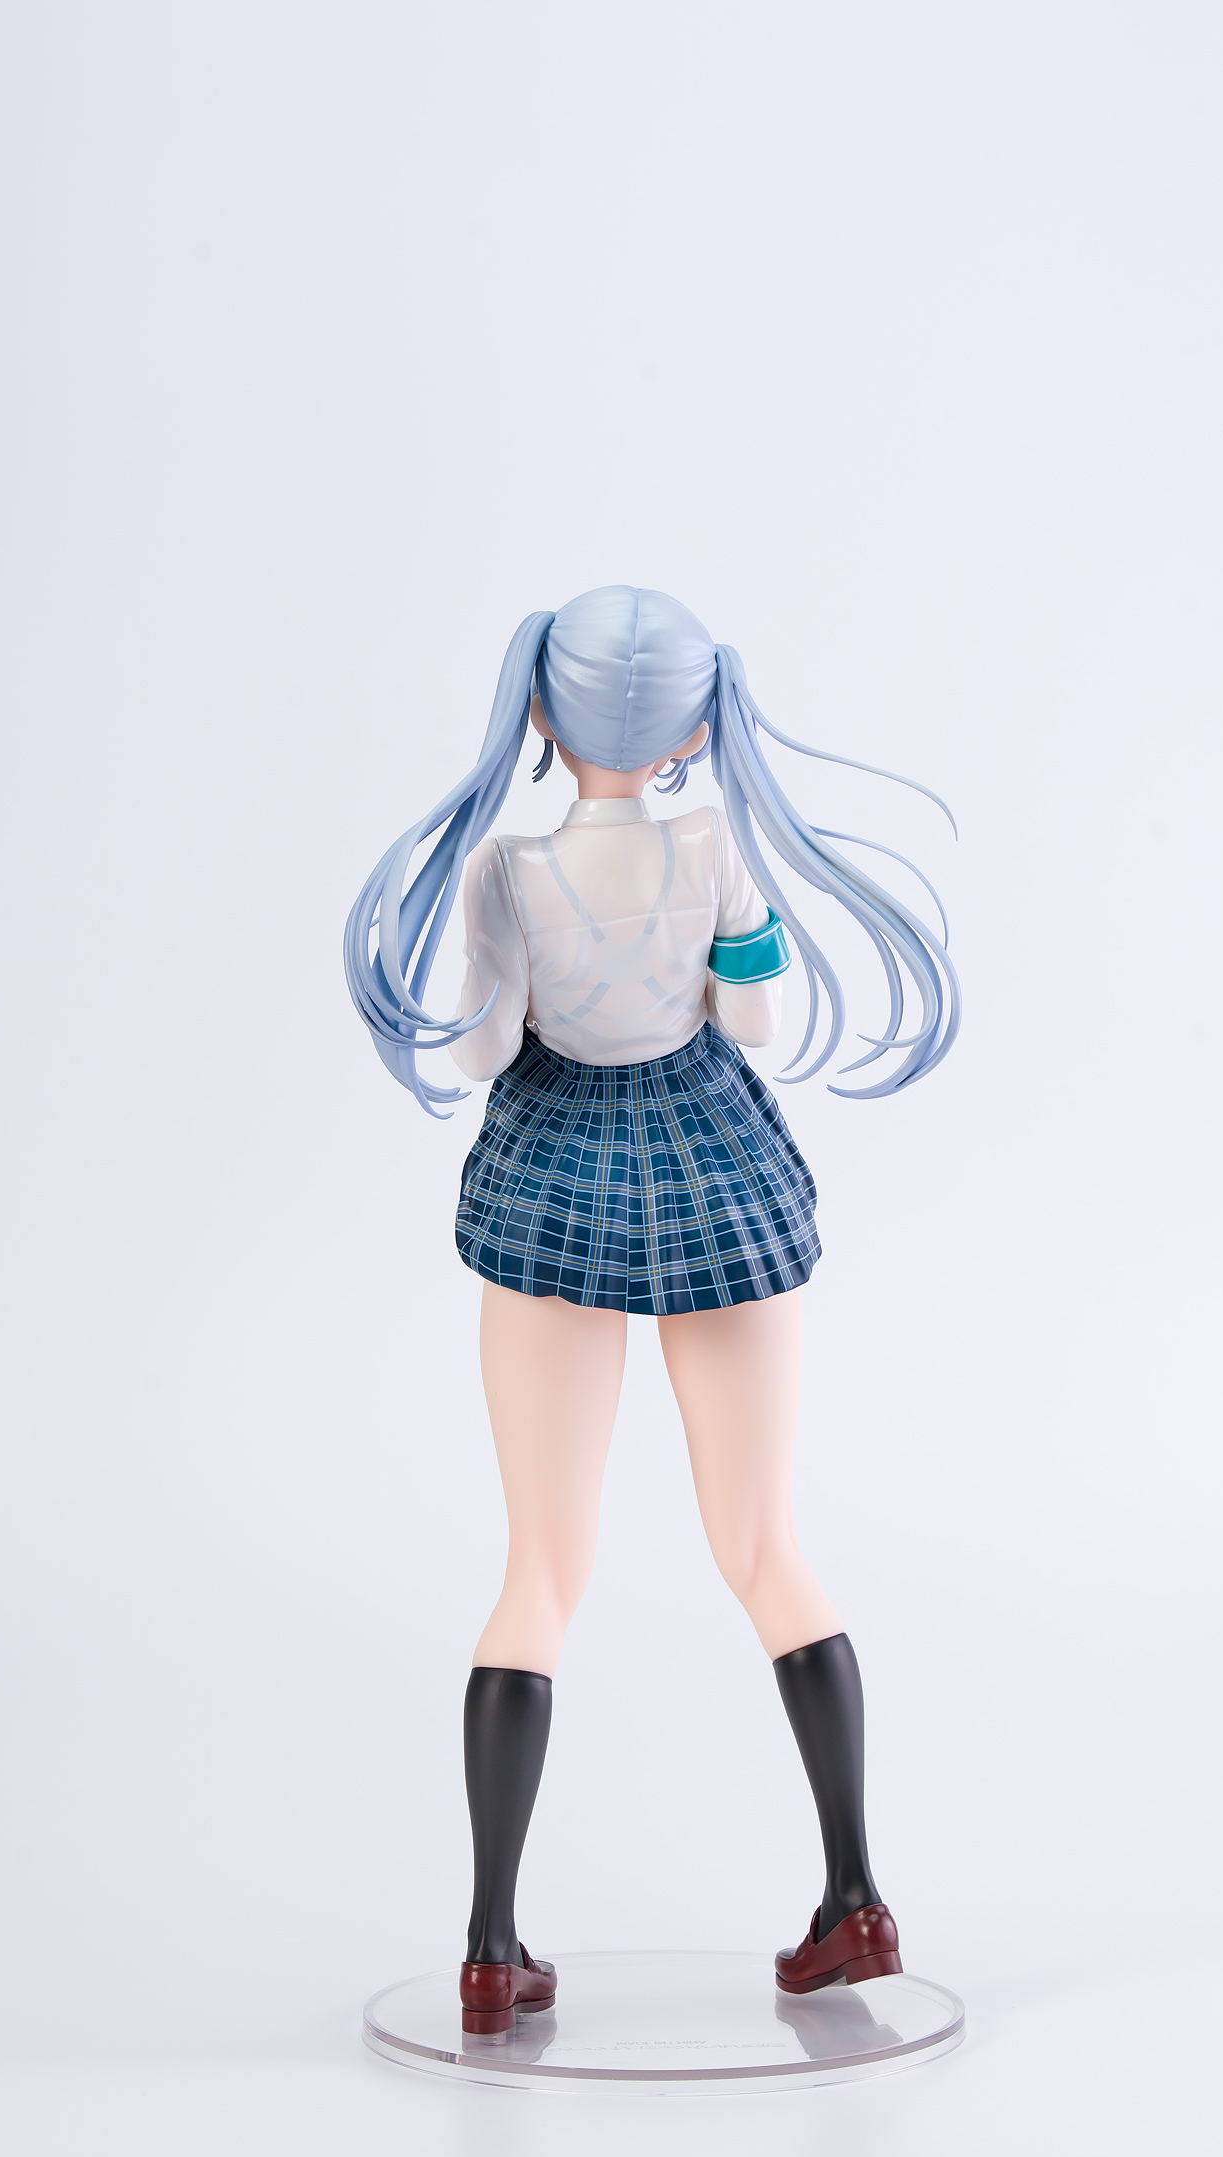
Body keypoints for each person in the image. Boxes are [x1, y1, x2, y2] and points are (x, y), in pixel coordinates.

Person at [344, 586, 958, 2034]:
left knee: (541, 1569)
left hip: (547, 1183)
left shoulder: (505, 872)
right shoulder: (717, 845)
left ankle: (490, 1945)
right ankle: (855, 1895)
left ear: (541, 714)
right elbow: (752, 1023)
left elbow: (486, 1051)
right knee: (766, 1547)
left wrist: (539, 989)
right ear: (694, 726)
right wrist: (710, 963)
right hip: (715, 1172)